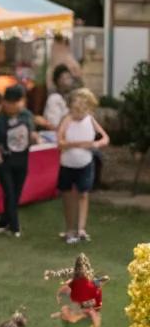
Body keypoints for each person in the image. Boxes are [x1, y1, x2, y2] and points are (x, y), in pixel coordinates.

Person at [57, 87, 109, 245]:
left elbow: (105, 138)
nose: (78, 113)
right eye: (75, 109)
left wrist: (95, 144)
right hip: (68, 164)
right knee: (68, 196)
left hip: (85, 164)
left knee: (83, 194)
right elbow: (60, 142)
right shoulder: (67, 120)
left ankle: (81, 229)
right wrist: (78, 144)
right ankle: (69, 229)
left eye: (81, 110)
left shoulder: (90, 120)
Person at [0, 83, 36, 237]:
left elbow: (31, 136)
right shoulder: (0, 118)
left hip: (22, 161)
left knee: (15, 195)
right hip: (4, 162)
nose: (14, 106)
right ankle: (15, 227)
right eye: (10, 102)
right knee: (9, 192)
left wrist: (34, 138)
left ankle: (3, 223)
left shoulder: (27, 116)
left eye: (18, 102)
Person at [40, 64, 76, 134]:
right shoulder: (54, 99)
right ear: (58, 81)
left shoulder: (69, 98)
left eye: (69, 78)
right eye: (65, 78)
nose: (69, 81)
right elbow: (53, 125)